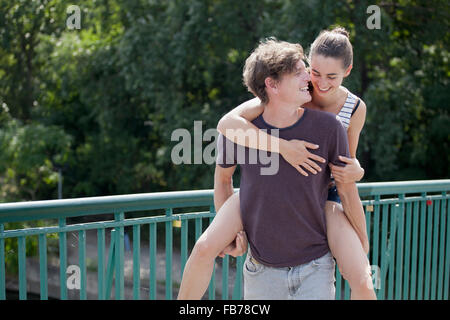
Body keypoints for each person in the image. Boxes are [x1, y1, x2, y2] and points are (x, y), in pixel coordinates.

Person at [178, 35, 372, 300]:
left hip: (325, 195)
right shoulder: (271, 105)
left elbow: (347, 170)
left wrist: (357, 172)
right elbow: (226, 125)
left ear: (347, 72)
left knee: (362, 277)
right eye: (312, 73)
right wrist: (284, 147)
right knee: (203, 248)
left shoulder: (347, 111)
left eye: (331, 76)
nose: (319, 83)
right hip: (258, 196)